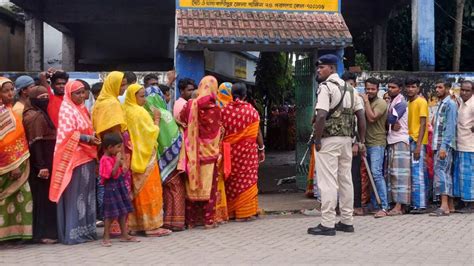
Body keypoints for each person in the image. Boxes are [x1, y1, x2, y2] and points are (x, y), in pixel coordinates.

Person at [307, 55, 366, 236]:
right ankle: (347, 221)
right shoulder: (350, 89)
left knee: (328, 182)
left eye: (322, 67)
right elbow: (361, 117)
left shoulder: (326, 87)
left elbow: (322, 115)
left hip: (329, 140)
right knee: (345, 179)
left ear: (332, 69)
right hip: (346, 141)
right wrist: (360, 141)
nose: (318, 70)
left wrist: (317, 140)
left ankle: (327, 224)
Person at [50, 80, 100, 245]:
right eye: (76, 93)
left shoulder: (83, 109)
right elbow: (67, 135)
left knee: (87, 196)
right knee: (75, 195)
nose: (81, 96)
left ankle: (86, 230)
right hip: (73, 159)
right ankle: (72, 232)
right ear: (69, 95)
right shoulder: (66, 109)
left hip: (87, 156)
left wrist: (93, 138)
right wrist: (87, 138)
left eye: (82, 92)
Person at [123, 83, 172, 237]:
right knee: (150, 191)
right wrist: (156, 120)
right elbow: (151, 133)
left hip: (133, 157)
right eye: (142, 96)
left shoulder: (125, 110)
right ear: (133, 96)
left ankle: (136, 225)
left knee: (137, 193)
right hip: (146, 158)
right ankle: (152, 227)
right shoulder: (139, 113)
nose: (144, 99)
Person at [179, 76, 222, 229]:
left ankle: (191, 221)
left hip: (192, 153)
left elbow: (181, 118)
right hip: (209, 154)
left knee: (192, 186)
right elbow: (218, 131)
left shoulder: (191, 105)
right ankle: (208, 221)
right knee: (209, 188)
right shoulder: (216, 109)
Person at [92, 71, 131, 236]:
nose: (124, 88)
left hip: (105, 153)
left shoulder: (100, 102)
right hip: (114, 153)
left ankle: (116, 230)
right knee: (119, 193)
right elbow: (116, 133)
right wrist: (121, 157)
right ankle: (119, 230)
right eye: (122, 85)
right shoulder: (111, 104)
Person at [143, 83, 185, 231]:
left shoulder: (147, 115)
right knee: (176, 188)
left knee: (166, 190)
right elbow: (176, 135)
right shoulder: (165, 113)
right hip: (174, 157)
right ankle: (177, 222)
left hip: (157, 158)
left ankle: (167, 220)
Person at [222, 82, 264, 221]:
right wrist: (261, 149)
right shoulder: (251, 111)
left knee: (232, 181)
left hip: (230, 152)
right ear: (245, 95)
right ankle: (245, 213)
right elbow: (257, 133)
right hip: (248, 153)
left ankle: (232, 211)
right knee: (247, 181)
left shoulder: (224, 110)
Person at [22, 85, 58, 244]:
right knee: (42, 199)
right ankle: (42, 234)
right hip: (41, 165)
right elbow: (36, 143)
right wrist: (41, 166)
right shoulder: (35, 117)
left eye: (46, 97)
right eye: (41, 98)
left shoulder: (40, 113)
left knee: (47, 198)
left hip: (47, 162)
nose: (45, 100)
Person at [0, 77, 33, 242]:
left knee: (21, 199)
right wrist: (12, 165)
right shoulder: (2, 113)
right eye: (5, 91)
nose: (10, 94)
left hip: (18, 161)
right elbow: (4, 142)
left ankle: (14, 234)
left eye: (12, 89)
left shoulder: (9, 109)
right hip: (7, 166)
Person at [99, 133, 138, 247]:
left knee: (123, 211)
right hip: (111, 188)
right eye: (117, 147)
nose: (119, 149)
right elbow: (111, 174)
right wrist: (117, 162)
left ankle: (124, 234)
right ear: (110, 147)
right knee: (110, 214)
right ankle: (106, 236)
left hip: (119, 186)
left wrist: (122, 164)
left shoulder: (112, 157)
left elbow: (123, 171)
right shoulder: (105, 160)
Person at [362, 78, 389, 218]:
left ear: (377, 89)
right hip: (366, 143)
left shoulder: (381, 103)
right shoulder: (366, 101)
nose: (370, 91)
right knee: (371, 175)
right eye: (368, 89)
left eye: (373, 89)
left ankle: (384, 206)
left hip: (377, 143)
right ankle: (374, 204)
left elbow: (372, 118)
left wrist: (365, 102)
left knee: (376, 174)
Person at [430, 81, 457, 216]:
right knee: (444, 173)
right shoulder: (441, 103)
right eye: (436, 87)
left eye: (440, 87)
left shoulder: (450, 104)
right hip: (438, 144)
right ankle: (450, 205)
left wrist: (444, 147)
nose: (437, 89)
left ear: (447, 89)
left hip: (443, 145)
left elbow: (450, 127)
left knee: (442, 173)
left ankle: (444, 206)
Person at [385, 78, 411, 216]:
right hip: (393, 140)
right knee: (393, 174)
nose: (390, 89)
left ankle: (399, 206)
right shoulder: (391, 102)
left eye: (393, 87)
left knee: (400, 175)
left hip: (400, 141)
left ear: (399, 89)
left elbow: (391, 119)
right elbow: (390, 121)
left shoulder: (401, 103)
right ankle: (396, 204)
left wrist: (390, 121)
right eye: (389, 87)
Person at [341, 72, 365, 216]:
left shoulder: (356, 97)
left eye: (350, 84)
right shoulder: (342, 96)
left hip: (353, 142)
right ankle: (345, 206)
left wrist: (357, 143)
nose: (348, 86)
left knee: (354, 174)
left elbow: (360, 122)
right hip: (343, 142)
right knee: (343, 175)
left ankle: (357, 205)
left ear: (355, 84)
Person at [406, 77, 429, 214]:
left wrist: (419, 145)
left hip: (417, 141)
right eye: (408, 87)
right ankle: (415, 203)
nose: (410, 89)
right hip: (409, 140)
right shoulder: (408, 102)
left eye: (413, 87)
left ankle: (421, 205)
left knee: (418, 174)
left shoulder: (421, 102)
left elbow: (423, 124)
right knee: (413, 174)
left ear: (418, 88)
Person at [214, 82, 233, 224]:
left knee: (216, 179)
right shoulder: (229, 107)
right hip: (224, 147)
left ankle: (215, 211)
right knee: (222, 179)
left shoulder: (215, 105)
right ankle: (221, 210)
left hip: (214, 147)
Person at [454, 81, 474, 213]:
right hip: (460, 144)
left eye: (467, 90)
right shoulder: (462, 103)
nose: (464, 92)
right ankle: (464, 201)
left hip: (470, 146)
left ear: (472, 91)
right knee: (461, 176)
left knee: (469, 177)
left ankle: (471, 204)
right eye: (462, 90)